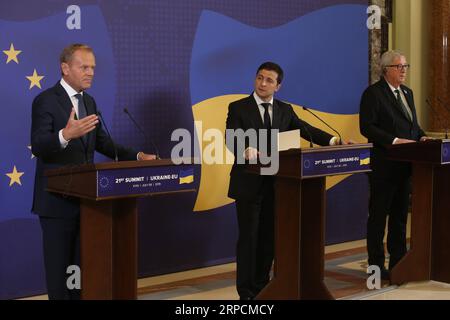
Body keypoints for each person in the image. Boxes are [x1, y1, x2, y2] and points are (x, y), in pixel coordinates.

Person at [31, 43, 156, 300]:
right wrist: (65, 134)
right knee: (59, 273)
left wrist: (136, 156)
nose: (90, 73)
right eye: (84, 67)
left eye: (93, 68)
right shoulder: (45, 100)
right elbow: (40, 145)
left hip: (87, 202)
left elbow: (102, 142)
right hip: (56, 203)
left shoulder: (88, 100)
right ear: (65, 68)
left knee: (80, 273)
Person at [226, 61, 341, 300]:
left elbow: (305, 129)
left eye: (269, 80)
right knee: (249, 239)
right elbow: (231, 138)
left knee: (269, 238)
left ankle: (262, 286)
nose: (263, 84)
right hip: (248, 184)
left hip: (277, 184)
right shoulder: (238, 107)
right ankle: (246, 293)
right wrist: (245, 148)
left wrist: (333, 141)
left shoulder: (284, 110)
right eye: (259, 78)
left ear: (278, 86)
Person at [359, 50, 430, 280]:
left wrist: (422, 137)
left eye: (405, 66)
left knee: (400, 218)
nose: (403, 71)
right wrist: (394, 141)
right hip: (384, 166)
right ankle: (376, 267)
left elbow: (412, 126)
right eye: (399, 66)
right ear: (386, 69)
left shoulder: (407, 93)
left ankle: (399, 263)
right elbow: (367, 127)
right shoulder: (373, 94)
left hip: (405, 166)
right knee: (378, 218)